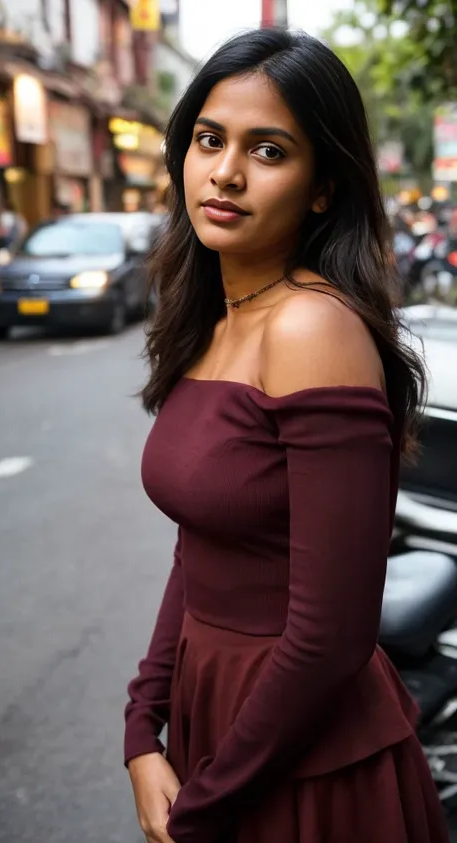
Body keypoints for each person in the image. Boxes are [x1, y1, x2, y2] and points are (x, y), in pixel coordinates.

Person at [124, 29, 448, 843]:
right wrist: (143, 723)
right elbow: (198, 547)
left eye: (267, 150)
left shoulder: (310, 327)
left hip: (299, 748)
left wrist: (206, 802)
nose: (226, 171)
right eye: (209, 139)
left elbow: (331, 637)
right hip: (221, 712)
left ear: (321, 188)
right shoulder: (214, 320)